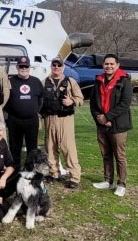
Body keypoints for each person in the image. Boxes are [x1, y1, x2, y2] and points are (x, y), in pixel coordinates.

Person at [90, 53, 133, 197]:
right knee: (106, 153)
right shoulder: (98, 80)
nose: (108, 66)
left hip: (118, 124)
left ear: (117, 65)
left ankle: (121, 184)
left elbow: (125, 103)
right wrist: (99, 118)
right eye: (106, 64)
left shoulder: (124, 81)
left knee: (119, 155)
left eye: (111, 64)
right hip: (101, 124)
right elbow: (93, 103)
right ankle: (108, 180)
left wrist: (108, 117)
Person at [41, 56, 84, 189]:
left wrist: (71, 101)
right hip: (49, 118)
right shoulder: (44, 82)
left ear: (63, 67)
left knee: (68, 147)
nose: (56, 67)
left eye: (59, 65)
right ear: (51, 66)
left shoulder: (70, 82)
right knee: (50, 146)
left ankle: (74, 176)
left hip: (65, 119)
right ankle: (54, 173)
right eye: (54, 65)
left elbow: (80, 98)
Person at [5, 56, 44, 170]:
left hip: (31, 120)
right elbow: (5, 99)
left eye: (26, 66)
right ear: (17, 67)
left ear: (29, 67)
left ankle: (30, 170)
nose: (23, 68)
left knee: (32, 148)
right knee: (14, 147)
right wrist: (12, 110)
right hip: (14, 120)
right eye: (21, 66)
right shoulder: (10, 81)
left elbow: (41, 99)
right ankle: (14, 171)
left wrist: (34, 110)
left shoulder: (36, 81)